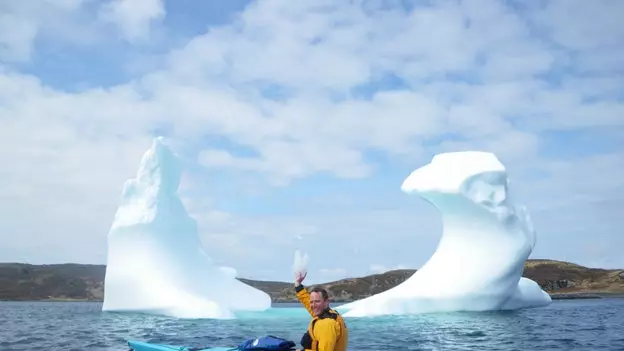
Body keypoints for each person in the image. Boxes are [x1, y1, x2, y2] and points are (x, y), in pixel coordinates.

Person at [293, 271, 348, 351]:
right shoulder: (328, 314)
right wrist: (298, 284)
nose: (313, 305)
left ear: (326, 302)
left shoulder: (327, 324)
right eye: (312, 302)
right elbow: (307, 300)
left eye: (317, 301)